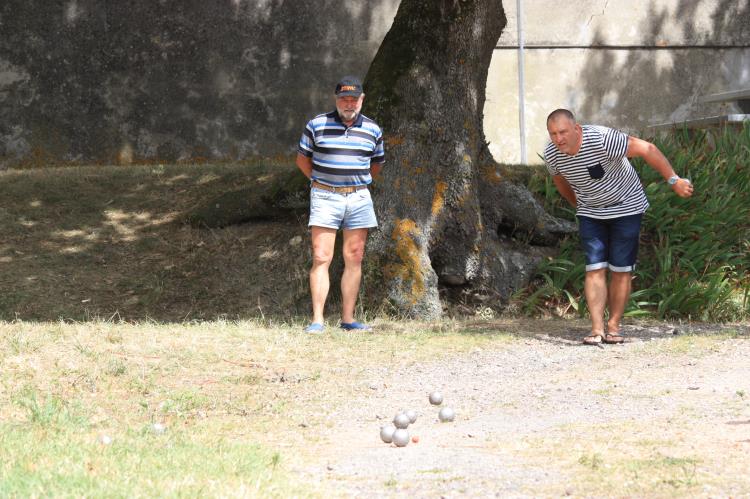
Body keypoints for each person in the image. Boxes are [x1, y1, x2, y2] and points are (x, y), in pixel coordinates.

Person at [544, 109, 694, 345]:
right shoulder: (553, 154)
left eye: (563, 132)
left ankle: (613, 326)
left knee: (621, 269)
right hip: (591, 211)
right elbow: (561, 182)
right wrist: (580, 206)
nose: (558, 138)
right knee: (594, 267)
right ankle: (596, 329)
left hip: (627, 206)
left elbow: (648, 149)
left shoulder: (602, 139)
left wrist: (674, 180)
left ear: (576, 128)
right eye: (553, 133)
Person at [295, 76, 385, 333]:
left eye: (354, 99)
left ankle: (348, 319)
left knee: (355, 257)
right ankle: (317, 321)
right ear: (336, 100)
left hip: (358, 197)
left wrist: (355, 182)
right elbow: (302, 160)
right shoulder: (316, 125)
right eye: (344, 99)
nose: (349, 104)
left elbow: (376, 165)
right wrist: (321, 181)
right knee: (321, 256)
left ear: (361, 100)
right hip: (324, 196)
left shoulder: (373, 129)